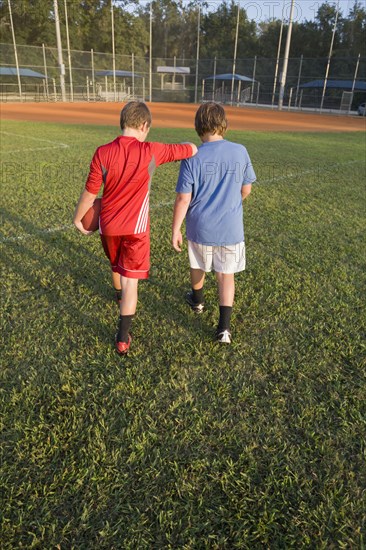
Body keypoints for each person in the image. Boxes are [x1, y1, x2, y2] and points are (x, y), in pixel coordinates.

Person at [74, 101, 197, 354]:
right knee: (132, 282)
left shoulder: (102, 152)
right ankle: (122, 338)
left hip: (108, 226)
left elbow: (89, 193)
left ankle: (117, 295)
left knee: (115, 263)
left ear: (123, 122)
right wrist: (195, 146)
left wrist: (78, 218)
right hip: (136, 229)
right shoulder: (152, 150)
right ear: (143, 125)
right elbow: (189, 149)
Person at [172, 102, 256, 344]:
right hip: (230, 228)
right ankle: (224, 329)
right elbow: (246, 189)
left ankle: (197, 301)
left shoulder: (193, 156)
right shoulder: (240, 151)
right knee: (225, 275)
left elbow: (183, 197)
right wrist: (230, 202)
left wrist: (176, 228)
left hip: (200, 226)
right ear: (224, 125)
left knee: (198, 264)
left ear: (198, 126)